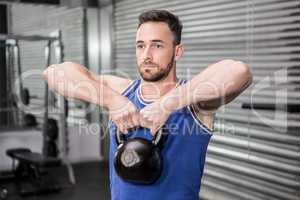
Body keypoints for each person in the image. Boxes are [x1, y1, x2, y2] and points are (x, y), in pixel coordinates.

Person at [43, 10, 252, 200]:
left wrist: (168, 104)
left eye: (157, 45)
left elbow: (239, 71)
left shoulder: (196, 101)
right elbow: (54, 73)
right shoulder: (120, 92)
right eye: (141, 45)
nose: (147, 55)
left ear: (177, 51)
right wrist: (112, 100)